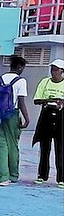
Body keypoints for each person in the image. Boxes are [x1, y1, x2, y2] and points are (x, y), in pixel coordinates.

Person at [0, 56, 29, 186]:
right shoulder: (21, 81)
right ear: (19, 67)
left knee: (0, 145)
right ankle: (13, 175)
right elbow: (21, 101)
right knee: (13, 145)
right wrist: (27, 118)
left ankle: (2, 177)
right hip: (12, 114)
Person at [32, 59, 64, 188]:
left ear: (62, 71)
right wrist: (50, 100)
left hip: (61, 117)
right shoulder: (45, 82)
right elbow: (36, 100)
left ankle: (61, 178)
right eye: (52, 69)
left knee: (60, 149)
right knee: (44, 147)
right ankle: (42, 175)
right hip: (46, 115)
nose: (53, 72)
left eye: (56, 69)